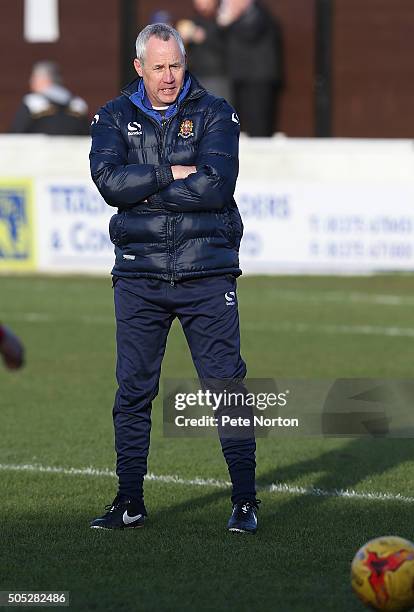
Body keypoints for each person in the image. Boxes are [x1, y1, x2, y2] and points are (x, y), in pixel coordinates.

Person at [89, 23, 259, 534]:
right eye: (158, 67)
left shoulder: (215, 111)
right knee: (133, 391)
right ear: (139, 67)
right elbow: (108, 184)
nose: (168, 77)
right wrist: (170, 172)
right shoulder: (113, 116)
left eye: (176, 65)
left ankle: (246, 501)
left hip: (206, 271)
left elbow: (214, 186)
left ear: (186, 63)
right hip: (139, 276)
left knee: (226, 386)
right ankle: (129, 501)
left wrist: (142, 187)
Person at [218, 0, 283, 136]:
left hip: (258, 78)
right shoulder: (239, 17)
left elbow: (250, 33)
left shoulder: (257, 12)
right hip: (241, 77)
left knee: (259, 122)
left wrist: (230, 20)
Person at [10, 61, 89, 135]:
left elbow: (16, 133)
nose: (30, 81)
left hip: (39, 149)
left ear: (44, 79)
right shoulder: (78, 104)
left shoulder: (32, 103)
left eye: (34, 77)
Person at [176, 0, 231, 101]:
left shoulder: (223, 19)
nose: (200, 3)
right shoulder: (193, 21)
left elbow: (227, 46)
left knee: (219, 112)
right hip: (196, 75)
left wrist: (205, 37)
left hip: (216, 76)